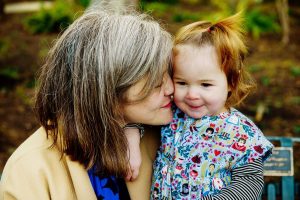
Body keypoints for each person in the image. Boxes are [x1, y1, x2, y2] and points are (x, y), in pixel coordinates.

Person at [0, 7, 174, 200]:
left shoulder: (162, 133)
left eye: (168, 72)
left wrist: (132, 129)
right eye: (156, 83)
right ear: (107, 91)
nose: (171, 89)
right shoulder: (30, 172)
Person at [150, 13, 274, 199]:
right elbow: (137, 118)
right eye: (182, 83)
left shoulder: (241, 132)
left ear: (231, 82)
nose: (192, 94)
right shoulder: (169, 113)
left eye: (205, 85)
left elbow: (249, 184)